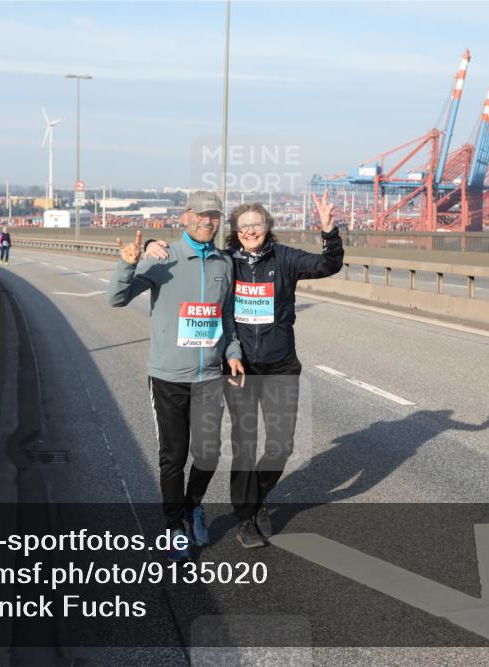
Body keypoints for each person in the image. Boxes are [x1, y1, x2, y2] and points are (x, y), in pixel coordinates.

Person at [145, 191, 342, 548]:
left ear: (268, 227)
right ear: (234, 230)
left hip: (280, 364)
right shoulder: (226, 260)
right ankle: (246, 519)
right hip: (239, 366)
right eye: (244, 225)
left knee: (281, 445)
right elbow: (195, 261)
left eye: (258, 224)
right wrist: (149, 244)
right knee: (245, 444)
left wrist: (329, 231)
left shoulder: (285, 258)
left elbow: (328, 266)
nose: (251, 230)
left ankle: (258, 497)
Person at [108, 191, 245, 561]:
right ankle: (173, 527)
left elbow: (226, 316)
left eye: (214, 215)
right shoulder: (162, 256)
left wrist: (232, 353)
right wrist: (127, 265)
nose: (208, 221)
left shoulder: (222, 263)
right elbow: (116, 299)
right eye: (201, 214)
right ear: (185, 217)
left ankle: (193, 504)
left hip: (209, 376)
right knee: (174, 456)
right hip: (168, 376)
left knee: (208, 453)